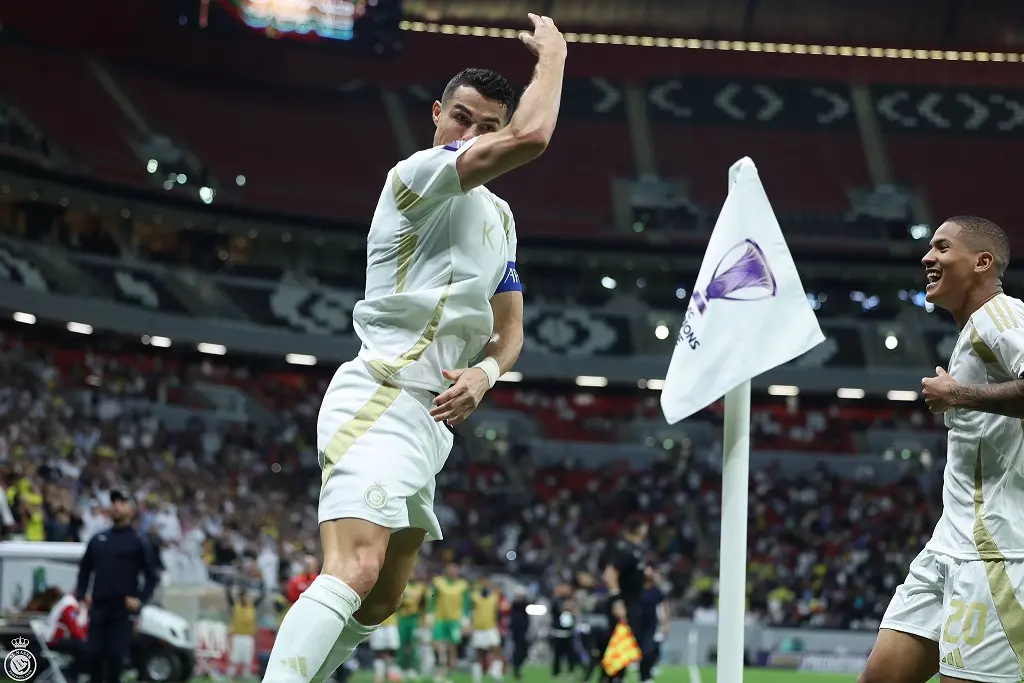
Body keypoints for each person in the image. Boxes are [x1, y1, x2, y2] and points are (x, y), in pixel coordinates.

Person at [260, 11, 567, 683]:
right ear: (436, 115)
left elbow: (509, 329)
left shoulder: (501, 218)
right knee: (357, 565)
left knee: (382, 595)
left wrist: (486, 373)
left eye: (488, 127)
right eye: (462, 118)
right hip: (379, 394)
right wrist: (553, 58)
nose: (471, 134)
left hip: (432, 422)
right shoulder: (417, 175)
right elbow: (536, 134)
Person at [860, 216, 1024, 683]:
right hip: (949, 547)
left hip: (995, 555)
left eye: (942, 247)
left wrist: (958, 396)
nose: (927, 258)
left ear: (982, 262)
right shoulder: (974, 330)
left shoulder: (1003, 317)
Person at [74, 485, 160, 683]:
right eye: (114, 502)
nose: (116, 507)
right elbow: (85, 570)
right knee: (93, 654)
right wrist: (81, 596)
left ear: (131, 509)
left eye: (121, 502)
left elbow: (152, 576)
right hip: (99, 606)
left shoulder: (139, 541)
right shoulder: (98, 539)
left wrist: (139, 600)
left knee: (116, 657)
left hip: (122, 610)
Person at [599, 515, 649, 683]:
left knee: (624, 647)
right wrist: (617, 600)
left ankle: (615, 678)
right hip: (624, 605)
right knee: (618, 646)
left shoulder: (634, 550)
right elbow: (609, 574)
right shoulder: (624, 548)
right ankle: (610, 679)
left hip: (632, 604)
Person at [430, 563, 471, 683]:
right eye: (450, 569)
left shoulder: (463, 585)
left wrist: (465, 621)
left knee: (452, 648)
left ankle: (447, 674)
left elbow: (466, 603)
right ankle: (439, 667)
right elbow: (432, 598)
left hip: (455, 620)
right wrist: (429, 614)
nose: (452, 571)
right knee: (436, 646)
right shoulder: (438, 583)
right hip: (440, 619)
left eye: (455, 569)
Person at [41, 588, 89, 681]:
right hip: (54, 640)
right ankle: (77, 676)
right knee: (83, 648)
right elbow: (73, 627)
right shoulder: (69, 605)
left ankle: (74, 675)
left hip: (56, 639)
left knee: (82, 648)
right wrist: (85, 639)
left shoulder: (68, 604)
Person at [227, 581, 267, 680]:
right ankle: (231, 673)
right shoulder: (235, 605)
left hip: (248, 636)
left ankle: (246, 674)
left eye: (245, 596)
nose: (244, 598)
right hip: (237, 635)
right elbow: (228, 597)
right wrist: (228, 586)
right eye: (242, 596)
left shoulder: (251, 605)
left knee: (247, 657)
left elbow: (262, 597)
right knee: (235, 657)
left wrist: (263, 587)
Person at [469, 576, 503, 683]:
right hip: (478, 628)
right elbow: (469, 611)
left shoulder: (494, 596)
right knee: (478, 654)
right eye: (482, 581)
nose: (484, 583)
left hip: (491, 627)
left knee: (496, 650)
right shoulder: (474, 596)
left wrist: (499, 625)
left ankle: (495, 673)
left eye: (486, 581)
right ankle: (477, 679)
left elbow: (498, 612)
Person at [397, 575, 429, 678]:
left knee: (413, 644)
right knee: (401, 643)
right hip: (402, 617)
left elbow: (424, 604)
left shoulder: (421, 587)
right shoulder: (402, 586)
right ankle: (401, 667)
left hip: (414, 618)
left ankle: (413, 668)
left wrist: (423, 619)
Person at [548, 583, 577, 679]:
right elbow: (557, 608)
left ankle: (571, 671)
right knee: (557, 655)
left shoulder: (572, 599)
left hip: (568, 632)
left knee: (571, 654)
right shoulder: (556, 601)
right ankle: (556, 672)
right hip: (558, 633)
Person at [369, 612, 401, 683]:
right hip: (377, 623)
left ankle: (391, 673)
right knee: (378, 651)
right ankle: (379, 675)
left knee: (392, 651)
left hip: (391, 623)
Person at [507, 590, 530, 680]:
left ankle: (517, 668)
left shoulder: (525, 606)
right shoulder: (514, 606)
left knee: (524, 652)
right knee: (517, 651)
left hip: (524, 633)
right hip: (517, 634)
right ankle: (516, 669)